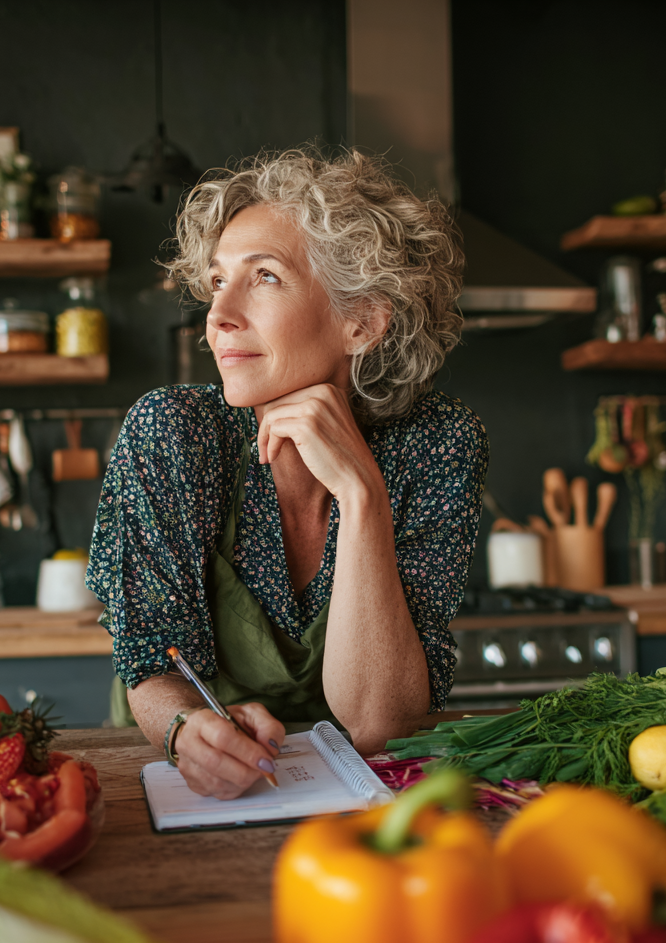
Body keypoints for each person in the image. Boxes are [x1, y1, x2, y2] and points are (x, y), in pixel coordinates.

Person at [86, 149, 488, 800]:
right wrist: (185, 730)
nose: (219, 318)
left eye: (264, 277)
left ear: (360, 321)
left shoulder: (436, 442)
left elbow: (379, 725)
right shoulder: (174, 434)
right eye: (218, 282)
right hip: (194, 790)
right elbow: (151, 663)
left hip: (353, 798)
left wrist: (362, 498)